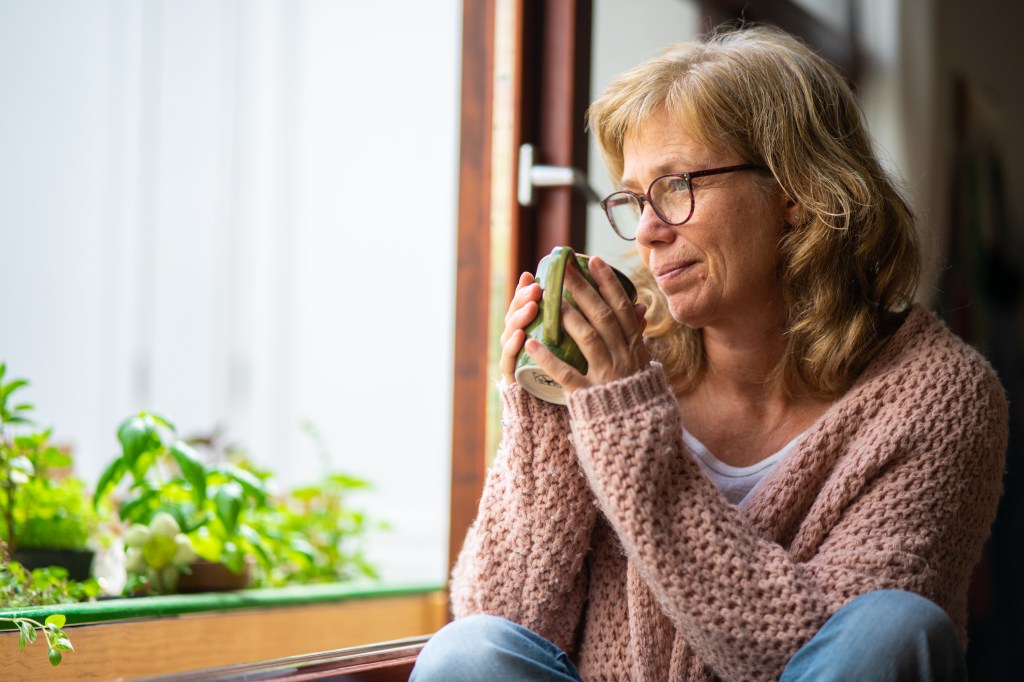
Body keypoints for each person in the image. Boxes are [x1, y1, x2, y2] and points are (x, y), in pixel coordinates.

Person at [412, 24, 1007, 682]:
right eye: (635, 199)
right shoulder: (621, 360)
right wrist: (550, 414)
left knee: (898, 626)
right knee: (464, 652)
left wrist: (624, 423)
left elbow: (830, 659)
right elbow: (505, 617)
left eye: (675, 188)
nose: (645, 233)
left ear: (796, 192)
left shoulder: (939, 396)